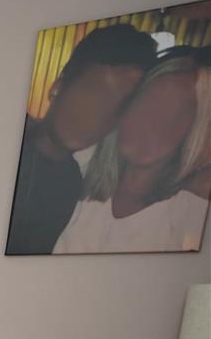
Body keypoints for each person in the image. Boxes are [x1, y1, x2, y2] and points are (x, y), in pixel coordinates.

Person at [6, 23, 157, 255]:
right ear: (58, 87)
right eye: (94, 92)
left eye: (118, 106)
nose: (101, 114)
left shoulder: (69, 184)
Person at [54, 51, 211, 254]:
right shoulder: (78, 162)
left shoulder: (193, 216)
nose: (151, 121)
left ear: (195, 130)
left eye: (174, 112)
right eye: (149, 100)